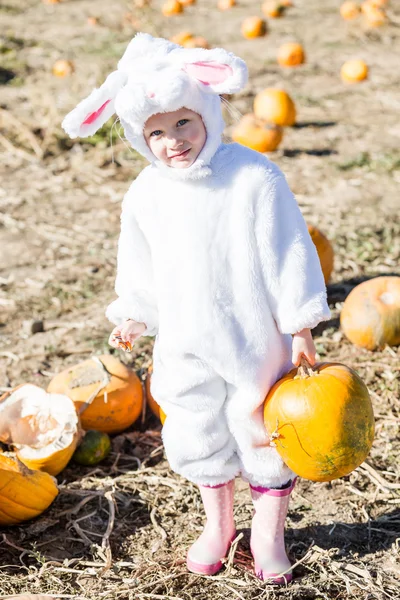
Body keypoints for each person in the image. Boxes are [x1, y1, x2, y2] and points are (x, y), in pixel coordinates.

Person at [62, 32, 330, 584]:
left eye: (183, 122)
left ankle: (268, 531)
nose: (172, 141)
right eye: (155, 132)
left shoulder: (254, 178)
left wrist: (299, 324)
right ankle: (218, 521)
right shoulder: (146, 195)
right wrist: (135, 312)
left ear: (208, 109)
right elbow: (140, 264)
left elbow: (287, 250)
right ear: (141, 138)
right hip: (184, 339)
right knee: (193, 423)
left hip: (255, 337)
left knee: (262, 428)